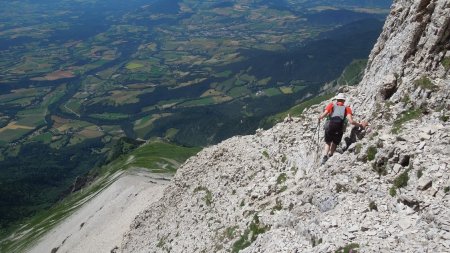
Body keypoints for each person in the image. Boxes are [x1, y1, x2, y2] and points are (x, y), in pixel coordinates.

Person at [318, 93, 368, 164]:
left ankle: (325, 156)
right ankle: (331, 155)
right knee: (335, 142)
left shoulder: (331, 105)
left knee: (328, 142)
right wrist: (360, 125)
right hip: (339, 128)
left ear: (337, 99)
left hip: (329, 126)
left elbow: (323, 115)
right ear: (344, 101)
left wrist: (319, 118)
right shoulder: (347, 108)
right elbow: (351, 121)